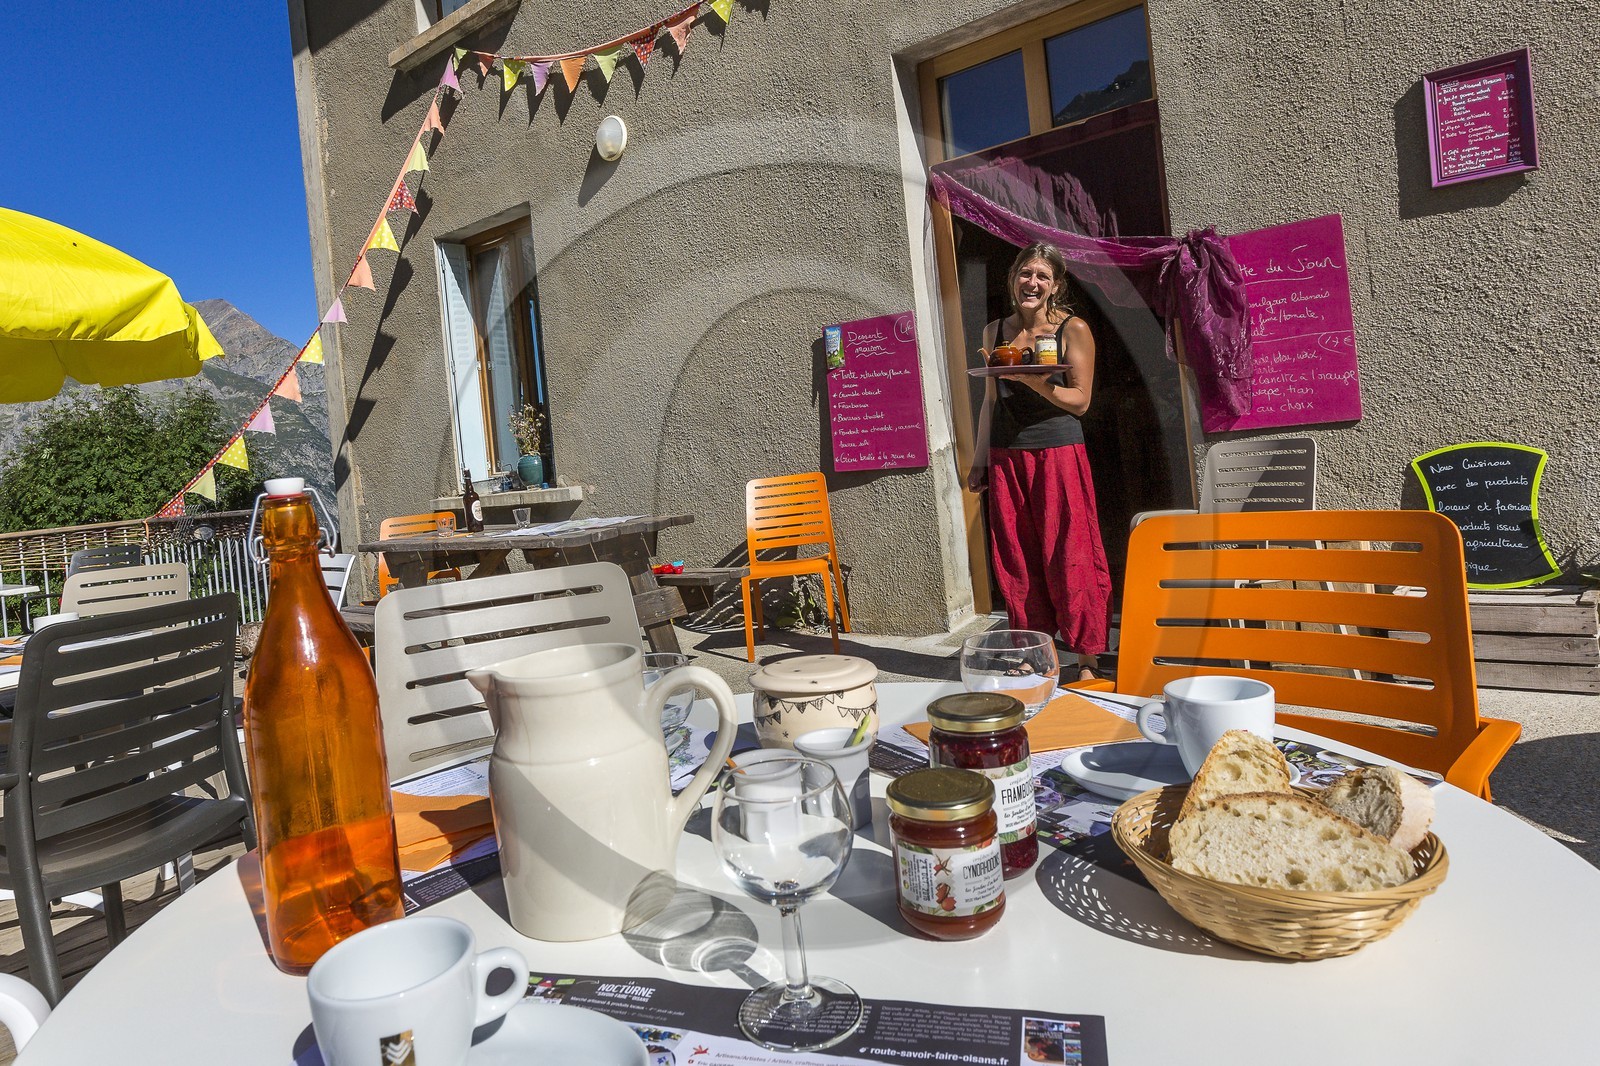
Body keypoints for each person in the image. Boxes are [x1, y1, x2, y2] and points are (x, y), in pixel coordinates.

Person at [967, 242, 1112, 680]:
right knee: (1018, 557)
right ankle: (1037, 652)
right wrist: (979, 461)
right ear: (1013, 278)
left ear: (1055, 286)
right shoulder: (993, 332)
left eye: (1042, 277)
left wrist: (1033, 383)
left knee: (1071, 551)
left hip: (1058, 453)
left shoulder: (1072, 328)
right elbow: (990, 401)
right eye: (1026, 274)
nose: (1032, 283)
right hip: (1007, 457)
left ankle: (1087, 658)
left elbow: (1081, 401)